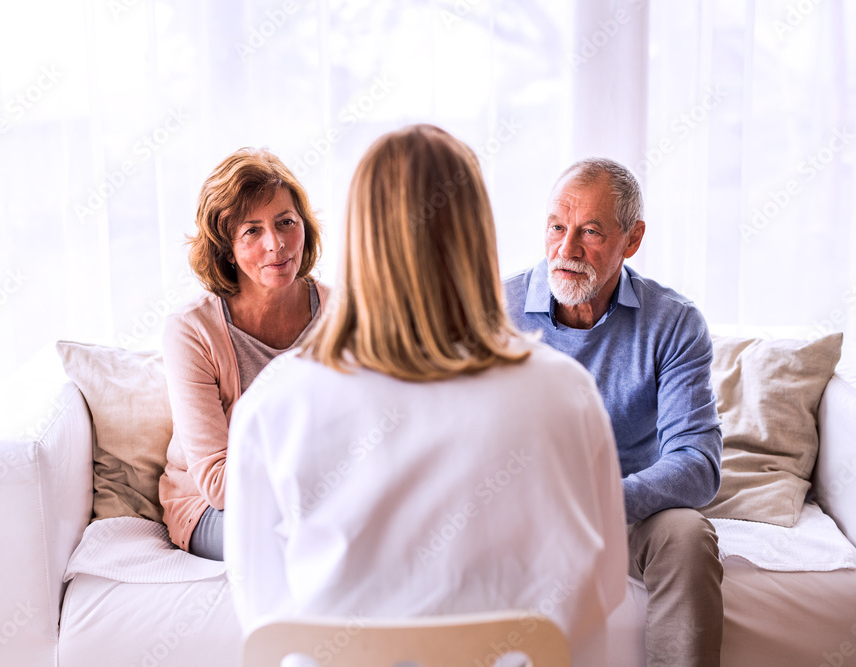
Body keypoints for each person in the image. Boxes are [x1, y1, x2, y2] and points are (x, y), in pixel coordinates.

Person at [224, 125, 628, 665]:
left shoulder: (277, 403)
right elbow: (601, 592)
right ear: (478, 236)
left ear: (356, 240)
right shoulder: (565, 394)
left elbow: (264, 614)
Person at [503, 158, 724, 666]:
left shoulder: (674, 322)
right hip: (526, 510)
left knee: (688, 535)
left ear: (633, 239)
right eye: (557, 227)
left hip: (631, 508)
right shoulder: (496, 309)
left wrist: (601, 501)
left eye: (591, 232)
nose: (567, 249)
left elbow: (697, 461)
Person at [158, 147, 328, 561]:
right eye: (252, 231)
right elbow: (218, 482)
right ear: (226, 248)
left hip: (326, 492)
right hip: (213, 509)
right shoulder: (191, 330)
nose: (277, 244)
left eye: (287, 222)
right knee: (312, 544)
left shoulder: (343, 314)